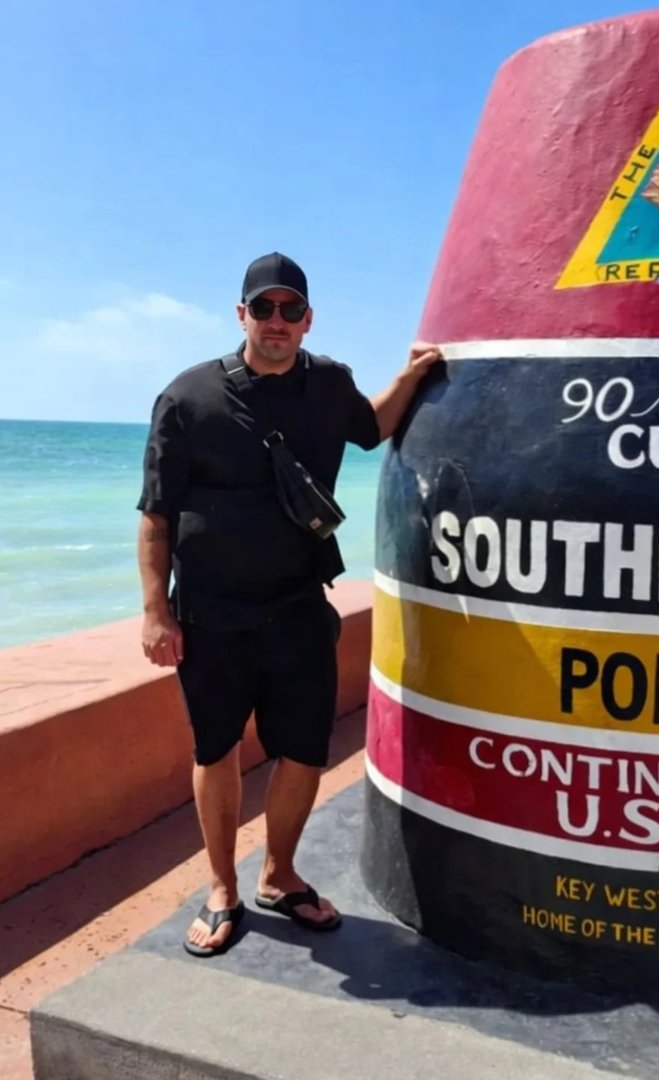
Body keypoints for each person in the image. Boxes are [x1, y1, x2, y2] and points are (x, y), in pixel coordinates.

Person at [136, 252, 441, 957]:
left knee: (304, 750)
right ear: (241, 314)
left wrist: (413, 375)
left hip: (299, 607)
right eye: (264, 308)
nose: (277, 321)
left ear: (308, 319)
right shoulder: (186, 398)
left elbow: (373, 428)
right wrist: (156, 611)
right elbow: (156, 516)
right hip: (211, 614)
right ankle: (222, 887)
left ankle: (279, 874)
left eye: (290, 310)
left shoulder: (329, 384)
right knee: (216, 749)